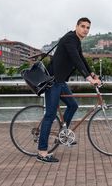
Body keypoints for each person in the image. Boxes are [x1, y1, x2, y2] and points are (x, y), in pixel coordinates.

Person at [37, 17, 101, 163]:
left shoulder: (76, 41)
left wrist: (91, 73)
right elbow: (75, 59)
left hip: (60, 81)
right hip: (53, 82)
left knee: (73, 105)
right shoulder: (70, 39)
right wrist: (88, 78)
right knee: (50, 115)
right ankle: (42, 152)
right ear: (77, 26)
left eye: (88, 28)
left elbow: (81, 58)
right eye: (83, 26)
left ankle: (63, 134)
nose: (85, 30)